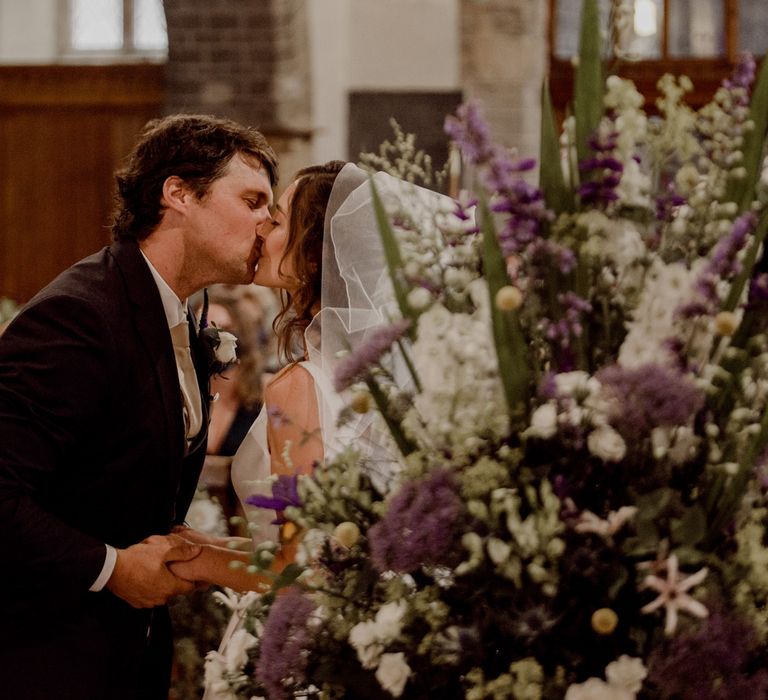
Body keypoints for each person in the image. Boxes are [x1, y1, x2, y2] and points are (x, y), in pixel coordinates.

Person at [0, 113, 278, 700]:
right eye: (253, 199)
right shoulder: (81, 314)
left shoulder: (183, 315)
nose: (268, 221)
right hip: (42, 655)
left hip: (127, 654)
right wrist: (111, 567)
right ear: (177, 192)